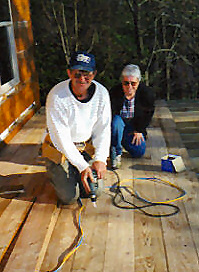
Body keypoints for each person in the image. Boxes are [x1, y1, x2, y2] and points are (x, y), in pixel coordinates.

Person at [43, 51, 111, 204]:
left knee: (95, 191)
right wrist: (82, 166)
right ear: (69, 73)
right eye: (77, 74)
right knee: (69, 197)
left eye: (87, 74)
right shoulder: (56, 96)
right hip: (60, 148)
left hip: (83, 146)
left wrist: (100, 159)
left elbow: (103, 129)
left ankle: (75, 171)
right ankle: (56, 170)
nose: (82, 79)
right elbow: (62, 139)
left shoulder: (102, 94)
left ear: (94, 74)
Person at [109, 64, 155, 169]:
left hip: (134, 125)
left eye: (133, 83)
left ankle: (121, 141)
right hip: (118, 124)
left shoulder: (146, 93)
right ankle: (116, 152)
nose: (129, 87)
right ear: (122, 82)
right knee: (116, 122)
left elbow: (148, 113)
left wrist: (139, 130)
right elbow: (109, 113)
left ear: (138, 82)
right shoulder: (114, 92)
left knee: (138, 152)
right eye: (126, 83)